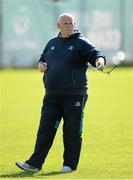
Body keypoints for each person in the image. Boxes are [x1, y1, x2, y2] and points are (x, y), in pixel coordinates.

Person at [16, 13, 106, 173]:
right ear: (59, 25)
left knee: (72, 130)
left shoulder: (81, 42)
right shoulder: (52, 43)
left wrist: (100, 62)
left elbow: (96, 55)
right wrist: (40, 65)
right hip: (51, 94)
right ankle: (34, 164)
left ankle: (69, 165)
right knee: (45, 129)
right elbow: (42, 60)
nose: (69, 26)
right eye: (65, 23)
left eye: (71, 23)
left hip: (74, 95)